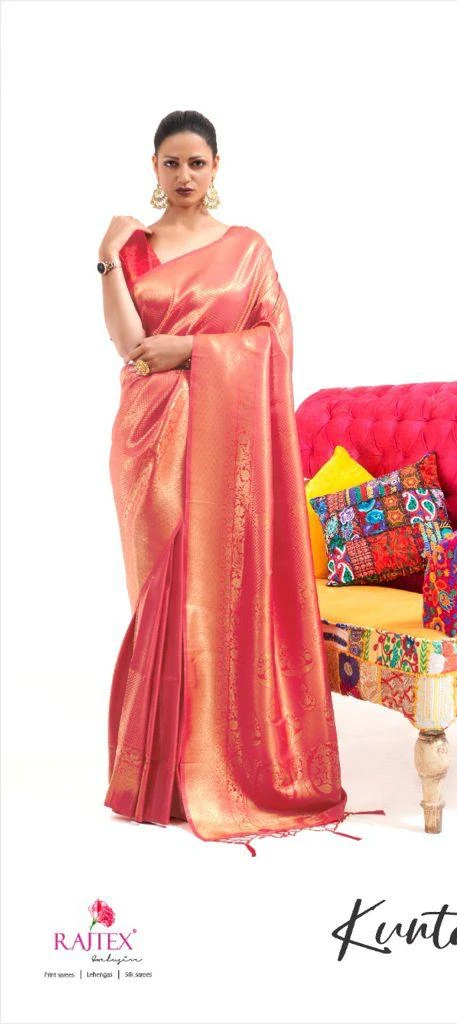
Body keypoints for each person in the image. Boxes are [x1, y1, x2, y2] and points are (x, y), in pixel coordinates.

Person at [99, 110, 355, 852]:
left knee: (219, 594)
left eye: (196, 163)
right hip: (149, 439)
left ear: (216, 168)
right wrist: (107, 256)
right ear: (153, 167)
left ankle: (217, 769)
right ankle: (165, 780)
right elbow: (128, 345)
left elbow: (275, 344)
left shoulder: (247, 249)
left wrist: (193, 350)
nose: (184, 175)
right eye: (171, 163)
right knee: (163, 600)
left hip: (225, 444)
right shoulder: (134, 250)